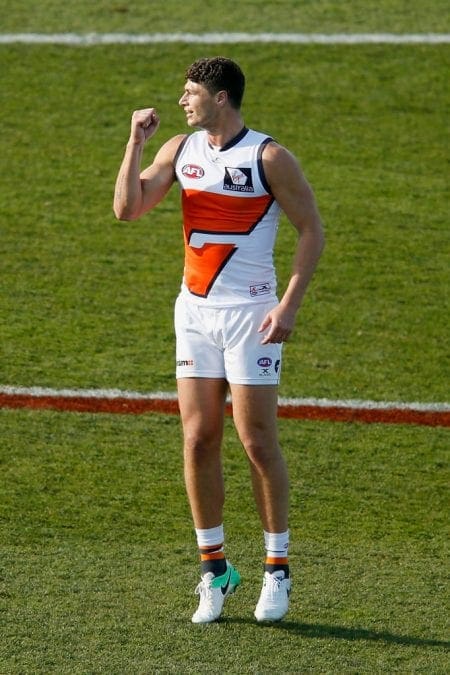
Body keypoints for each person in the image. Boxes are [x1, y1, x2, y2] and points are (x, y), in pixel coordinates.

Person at [113, 56, 325, 624]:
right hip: (195, 314)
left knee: (256, 440)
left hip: (252, 316)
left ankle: (277, 568)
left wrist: (288, 305)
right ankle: (215, 570)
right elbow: (127, 209)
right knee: (198, 438)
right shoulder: (180, 150)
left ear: (221, 97)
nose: (183, 101)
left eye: (191, 93)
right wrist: (134, 143)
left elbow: (312, 230)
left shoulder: (268, 157)